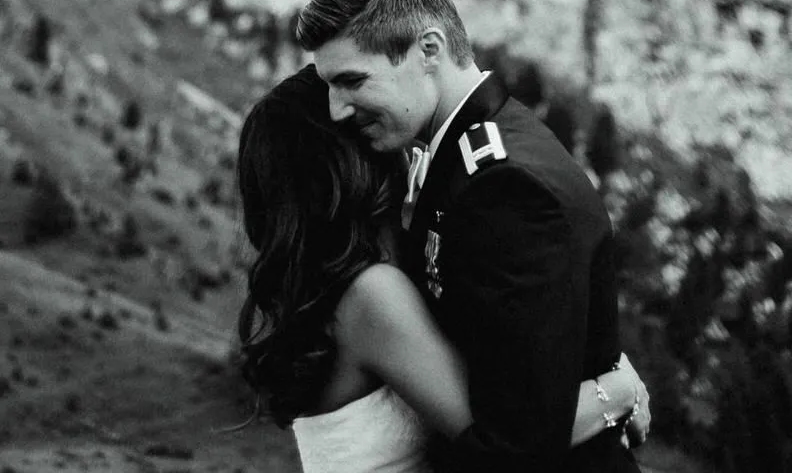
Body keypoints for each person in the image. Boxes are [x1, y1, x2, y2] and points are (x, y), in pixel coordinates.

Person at [295, 0, 647, 472]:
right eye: (330, 86)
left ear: (428, 50)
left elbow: (515, 446)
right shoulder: (465, 157)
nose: (337, 109)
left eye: (352, 80)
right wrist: (614, 388)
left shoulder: (506, 188)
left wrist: (611, 393)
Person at [237, 64, 649, 473]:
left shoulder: (347, 284)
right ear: (347, 156)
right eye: (365, 120)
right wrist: (615, 391)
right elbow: (511, 440)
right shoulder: (371, 295)